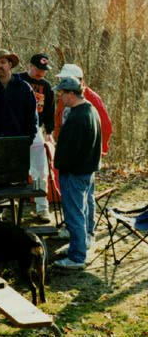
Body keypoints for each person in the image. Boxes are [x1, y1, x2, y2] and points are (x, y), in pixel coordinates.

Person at [54, 64, 113, 246]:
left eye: (62, 88)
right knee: (79, 202)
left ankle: (86, 235)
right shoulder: (69, 101)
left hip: (83, 162)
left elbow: (105, 127)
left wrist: (96, 152)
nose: (60, 95)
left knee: (83, 201)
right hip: (76, 158)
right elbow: (58, 121)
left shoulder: (90, 101)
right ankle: (77, 234)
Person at [52, 77, 102, 269]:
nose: (61, 97)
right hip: (85, 171)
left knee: (74, 214)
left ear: (71, 94)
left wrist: (61, 166)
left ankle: (77, 257)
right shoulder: (89, 109)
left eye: (62, 93)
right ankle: (78, 246)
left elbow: (70, 151)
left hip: (75, 173)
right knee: (82, 211)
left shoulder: (79, 117)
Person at [19, 53, 55, 223]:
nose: (42, 73)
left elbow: (49, 111)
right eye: (39, 69)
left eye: (44, 70)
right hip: (16, 131)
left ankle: (42, 208)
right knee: (15, 171)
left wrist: (50, 131)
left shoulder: (46, 87)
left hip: (37, 130)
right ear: (30, 66)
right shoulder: (18, 80)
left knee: (41, 170)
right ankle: (11, 208)